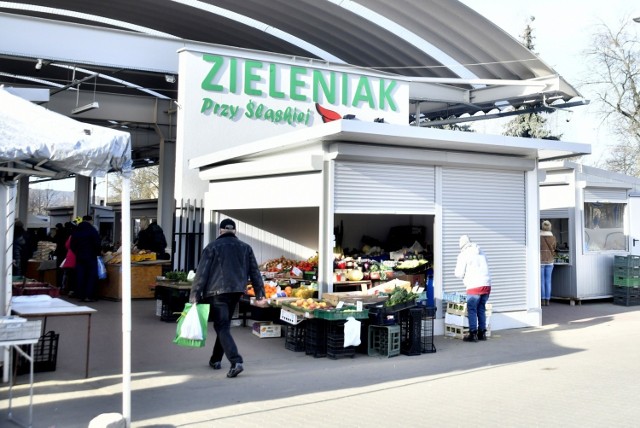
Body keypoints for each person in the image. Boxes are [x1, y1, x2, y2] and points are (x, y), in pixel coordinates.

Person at [189, 218, 268, 378]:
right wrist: (260, 294)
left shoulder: (212, 247)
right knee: (223, 325)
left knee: (221, 326)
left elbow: (202, 273)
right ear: (235, 231)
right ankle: (215, 359)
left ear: (220, 231)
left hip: (217, 293)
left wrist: (195, 294)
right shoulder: (246, 248)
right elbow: (255, 272)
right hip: (236, 292)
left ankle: (236, 361)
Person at [454, 235, 492, 343]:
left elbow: (459, 273)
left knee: (472, 309)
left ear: (461, 246)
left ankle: (473, 334)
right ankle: (482, 333)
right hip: (487, 284)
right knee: (481, 308)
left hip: (474, 285)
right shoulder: (481, 251)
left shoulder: (463, 254)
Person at [70, 215, 102, 302]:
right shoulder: (92, 230)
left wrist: (77, 253)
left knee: (80, 276)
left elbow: (72, 245)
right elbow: (97, 243)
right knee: (90, 276)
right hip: (91, 257)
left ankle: (81, 295)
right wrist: (97, 253)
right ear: (90, 221)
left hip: (79, 257)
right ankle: (89, 295)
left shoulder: (76, 230)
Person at [540, 220, 557, 307]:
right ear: (550, 227)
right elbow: (554, 248)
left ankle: (542, 299)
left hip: (541, 261)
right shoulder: (553, 238)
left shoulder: (539, 238)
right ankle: (548, 300)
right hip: (550, 261)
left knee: (541, 281)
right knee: (548, 281)